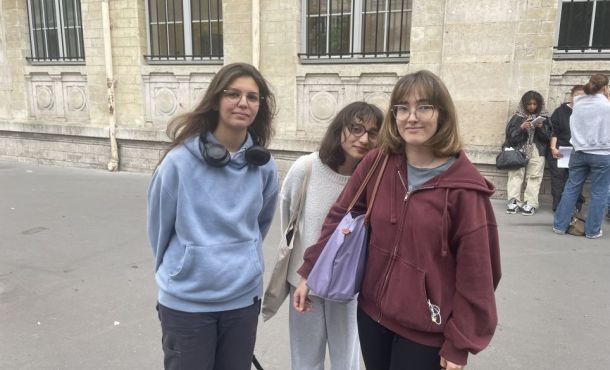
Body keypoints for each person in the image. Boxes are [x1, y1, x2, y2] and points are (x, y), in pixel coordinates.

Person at [294, 70, 501, 370]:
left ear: (442, 114)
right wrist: (309, 271)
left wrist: (460, 343)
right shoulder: (379, 161)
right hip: (371, 314)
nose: (411, 117)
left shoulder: (464, 189)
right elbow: (342, 213)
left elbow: (479, 274)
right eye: (402, 108)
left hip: (425, 331)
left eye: (424, 107)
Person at [146, 63, 279, 370]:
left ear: (260, 106)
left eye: (252, 97)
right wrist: (184, 268)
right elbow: (159, 230)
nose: (243, 103)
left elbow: (260, 224)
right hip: (187, 305)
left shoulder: (264, 167)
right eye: (233, 94)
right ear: (216, 100)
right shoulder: (178, 163)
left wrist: (243, 260)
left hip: (242, 303)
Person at [277, 102, 383, 370]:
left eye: (372, 133)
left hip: (348, 288)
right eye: (356, 129)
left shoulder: (376, 178)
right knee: (305, 361)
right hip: (304, 282)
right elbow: (288, 219)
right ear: (340, 129)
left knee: (346, 361)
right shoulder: (306, 168)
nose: (363, 139)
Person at [553, 74, 610, 239]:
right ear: (605, 88)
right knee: (598, 193)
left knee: (571, 189)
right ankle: (592, 231)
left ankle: (559, 226)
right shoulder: (606, 106)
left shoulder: (578, 103)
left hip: (579, 151)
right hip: (602, 153)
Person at [504, 91, 552, 215]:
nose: (532, 107)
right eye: (529, 104)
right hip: (519, 149)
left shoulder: (545, 117)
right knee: (515, 174)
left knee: (534, 176)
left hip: (537, 150)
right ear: (524, 104)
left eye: (535, 104)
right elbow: (510, 137)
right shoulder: (517, 117)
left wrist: (541, 128)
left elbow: (549, 138)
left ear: (539, 104)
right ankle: (513, 201)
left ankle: (530, 203)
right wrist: (521, 127)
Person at [548, 85, 586, 212]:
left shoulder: (586, 112)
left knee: (576, 180)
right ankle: (559, 207)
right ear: (571, 96)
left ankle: (576, 207)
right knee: (558, 180)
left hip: (578, 152)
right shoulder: (560, 111)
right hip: (560, 151)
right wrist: (553, 148)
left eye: (583, 96)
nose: (580, 98)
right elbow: (554, 131)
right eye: (577, 95)